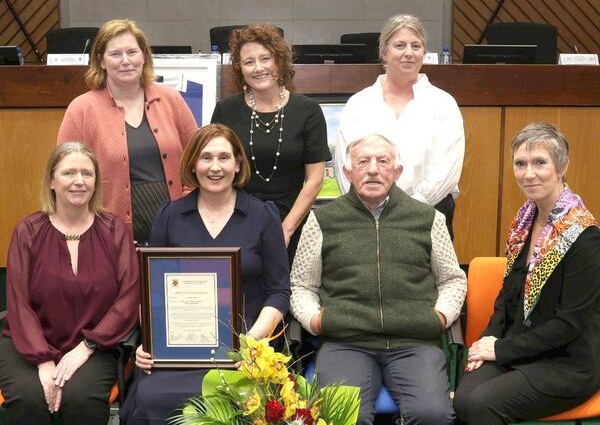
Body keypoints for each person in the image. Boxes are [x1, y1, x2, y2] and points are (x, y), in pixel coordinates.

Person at [120, 123, 290, 425]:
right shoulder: (169, 216)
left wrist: (248, 343)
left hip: (246, 353)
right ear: (193, 164)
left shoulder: (262, 216)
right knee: (151, 399)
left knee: (242, 399)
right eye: (206, 157)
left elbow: (279, 291)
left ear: (238, 164)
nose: (215, 167)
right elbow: (151, 291)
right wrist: (151, 343)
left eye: (224, 157)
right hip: (179, 351)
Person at [290, 134, 466, 425]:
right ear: (347, 172)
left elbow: (452, 280)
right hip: (346, 341)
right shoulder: (322, 220)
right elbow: (301, 285)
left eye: (382, 161)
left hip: (414, 341)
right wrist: (316, 320)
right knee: (344, 418)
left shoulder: (428, 218)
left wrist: (440, 315)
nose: (373, 169)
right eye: (363, 161)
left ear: (396, 171)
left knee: (432, 416)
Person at [454, 122, 600, 424]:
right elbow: (507, 298)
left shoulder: (584, 236)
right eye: (520, 164)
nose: (528, 173)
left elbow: (569, 325)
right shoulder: (525, 221)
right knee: (464, 399)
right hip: (521, 348)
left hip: (568, 362)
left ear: (562, 167)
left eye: (539, 163)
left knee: (482, 404)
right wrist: (487, 343)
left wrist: (501, 349)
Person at [0, 142, 139, 425]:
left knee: (80, 399)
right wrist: (42, 360)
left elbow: (128, 297)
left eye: (87, 174)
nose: (79, 181)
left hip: (96, 345)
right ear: (51, 180)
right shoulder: (27, 231)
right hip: (26, 344)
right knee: (30, 397)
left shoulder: (114, 230)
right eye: (68, 173)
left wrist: (86, 347)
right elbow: (18, 302)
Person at [58, 19, 198, 245]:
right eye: (115, 54)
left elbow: (198, 157)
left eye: (132, 52)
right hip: (108, 235)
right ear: (101, 60)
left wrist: (189, 203)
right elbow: (64, 174)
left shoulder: (171, 99)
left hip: (178, 227)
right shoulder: (81, 109)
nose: (125, 61)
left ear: (144, 56)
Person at [334, 14, 464, 238]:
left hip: (428, 213)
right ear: (384, 52)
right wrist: (364, 207)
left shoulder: (444, 103)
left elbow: (447, 170)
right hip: (365, 216)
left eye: (416, 46)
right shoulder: (359, 103)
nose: (409, 53)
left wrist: (407, 211)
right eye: (400, 45)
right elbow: (344, 164)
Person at [211, 23, 331, 260]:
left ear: (279, 61)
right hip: (236, 222)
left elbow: (315, 179)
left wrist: (285, 229)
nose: (258, 68)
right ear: (240, 69)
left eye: (265, 59)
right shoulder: (226, 110)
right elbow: (217, 169)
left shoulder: (308, 110)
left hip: (293, 224)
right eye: (249, 62)